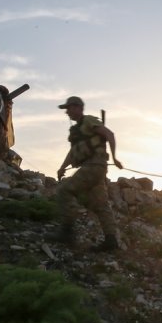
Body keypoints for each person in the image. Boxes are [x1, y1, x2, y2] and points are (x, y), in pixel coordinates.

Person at [50, 96, 123, 251]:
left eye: (69, 108)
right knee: (101, 204)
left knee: (64, 191)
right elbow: (73, 152)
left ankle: (67, 232)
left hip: (93, 166)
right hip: (94, 168)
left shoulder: (88, 120)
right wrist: (62, 167)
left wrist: (115, 158)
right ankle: (111, 241)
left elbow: (109, 134)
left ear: (78, 107)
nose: (67, 112)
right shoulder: (77, 130)